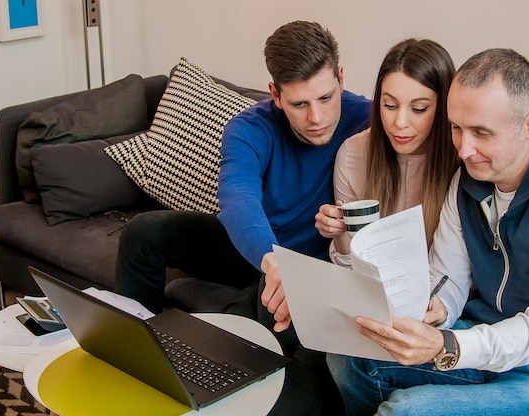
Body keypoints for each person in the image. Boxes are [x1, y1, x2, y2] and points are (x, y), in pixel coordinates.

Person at [328, 48, 529, 415]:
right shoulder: (470, 179)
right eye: (456, 128)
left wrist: (446, 344)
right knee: (350, 356)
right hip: (486, 346)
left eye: (481, 133)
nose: (464, 149)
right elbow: (448, 276)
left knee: (409, 411)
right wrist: (435, 311)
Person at [115, 20, 371, 415]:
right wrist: (273, 263)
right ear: (275, 95)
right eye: (299, 104)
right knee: (144, 231)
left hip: (314, 268)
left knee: (257, 349)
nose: (316, 117)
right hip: (259, 251)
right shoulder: (250, 127)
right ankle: (137, 355)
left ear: (340, 77)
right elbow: (237, 197)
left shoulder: (371, 120)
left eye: (325, 97)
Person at [314, 38, 459, 265]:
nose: (399, 122)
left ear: (443, 108)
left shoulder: (463, 159)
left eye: (419, 109)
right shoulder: (353, 154)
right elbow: (349, 266)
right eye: (390, 105)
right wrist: (340, 233)